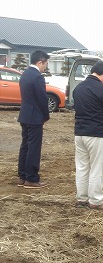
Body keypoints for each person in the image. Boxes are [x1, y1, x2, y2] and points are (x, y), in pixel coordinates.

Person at [73, 60, 103, 209]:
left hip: (80, 132)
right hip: (97, 133)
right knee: (98, 168)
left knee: (82, 167)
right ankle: (96, 200)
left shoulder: (78, 88)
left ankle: (82, 198)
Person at [17, 50, 50, 189]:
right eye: (45, 64)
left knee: (25, 145)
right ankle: (31, 178)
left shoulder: (24, 74)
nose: (45, 67)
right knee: (34, 148)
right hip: (35, 116)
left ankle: (23, 175)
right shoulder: (37, 77)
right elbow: (42, 99)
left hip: (24, 114)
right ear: (40, 62)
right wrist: (46, 115)